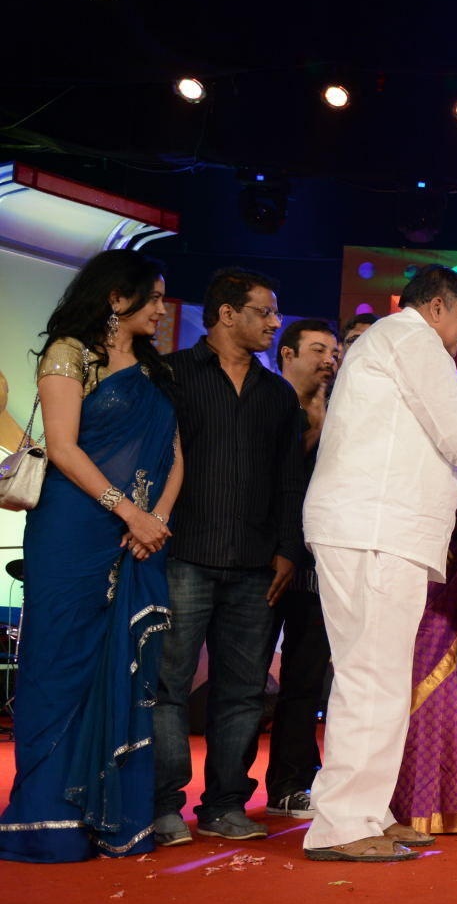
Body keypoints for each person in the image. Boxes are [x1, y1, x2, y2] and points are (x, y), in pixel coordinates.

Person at [301, 265, 457, 861]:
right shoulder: (413, 340)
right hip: (374, 527)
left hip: (378, 527)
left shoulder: (392, 343)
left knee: (382, 677)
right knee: (371, 676)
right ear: (437, 306)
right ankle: (342, 824)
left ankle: (365, 810)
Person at [0, 250, 181, 862]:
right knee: (60, 663)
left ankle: (116, 819)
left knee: (127, 667)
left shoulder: (154, 370)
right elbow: (64, 448)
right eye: (152, 297)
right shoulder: (69, 353)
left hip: (139, 536)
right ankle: (48, 821)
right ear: (115, 297)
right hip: (73, 529)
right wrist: (129, 512)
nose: (161, 308)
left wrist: (155, 519)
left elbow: (175, 455)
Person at [151, 268, 306, 847]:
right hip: (183, 553)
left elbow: (292, 482)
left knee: (242, 692)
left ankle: (224, 805)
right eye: (264, 312)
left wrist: (289, 550)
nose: (273, 323)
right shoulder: (172, 375)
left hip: (256, 567)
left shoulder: (277, 395)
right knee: (167, 687)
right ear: (225, 314)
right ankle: (165, 805)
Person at [263, 318, 339, 820]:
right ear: (286, 353)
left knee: (306, 680)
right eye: (318, 350)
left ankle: (291, 784)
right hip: (263, 560)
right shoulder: (265, 402)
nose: (329, 360)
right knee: (246, 681)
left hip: (318, 564)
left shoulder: (345, 411)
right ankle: (225, 791)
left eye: (334, 352)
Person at [388, 499, 457, 835]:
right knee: (404, 677)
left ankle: (426, 802)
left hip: (449, 546)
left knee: (436, 679)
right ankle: (402, 803)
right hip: (406, 540)